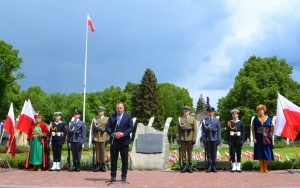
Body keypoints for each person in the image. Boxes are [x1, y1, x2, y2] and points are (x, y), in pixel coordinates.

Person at [106, 102, 134, 182]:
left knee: (124, 159)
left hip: (124, 141)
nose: (119, 109)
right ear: (116, 109)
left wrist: (123, 134)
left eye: (120, 108)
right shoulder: (112, 116)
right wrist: (113, 134)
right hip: (114, 141)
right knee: (113, 159)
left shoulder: (128, 117)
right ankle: (113, 176)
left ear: (123, 108)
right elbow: (107, 127)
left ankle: (123, 176)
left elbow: (131, 128)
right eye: (118, 108)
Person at [252, 104, 274, 173]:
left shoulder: (269, 118)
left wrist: (271, 134)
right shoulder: (255, 119)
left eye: (262, 110)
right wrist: (254, 138)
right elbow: (253, 129)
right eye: (259, 110)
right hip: (258, 138)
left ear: (264, 110)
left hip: (267, 138)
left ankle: (265, 167)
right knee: (260, 152)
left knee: (266, 152)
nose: (260, 111)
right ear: (258, 111)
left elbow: (272, 127)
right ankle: (261, 167)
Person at [176, 106, 198, 173]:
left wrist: (194, 138)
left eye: (187, 111)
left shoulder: (193, 118)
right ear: (183, 111)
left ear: (189, 111)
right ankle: (184, 166)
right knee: (183, 153)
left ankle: (190, 166)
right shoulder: (180, 119)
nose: (185, 112)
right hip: (182, 138)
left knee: (189, 152)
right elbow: (177, 129)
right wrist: (178, 138)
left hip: (190, 138)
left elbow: (195, 129)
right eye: (184, 111)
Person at [201, 107, 221, 173]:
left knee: (214, 153)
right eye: (209, 112)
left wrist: (219, 139)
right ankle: (209, 166)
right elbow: (203, 131)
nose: (210, 113)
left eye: (211, 112)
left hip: (214, 138)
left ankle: (214, 166)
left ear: (213, 112)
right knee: (208, 153)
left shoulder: (216, 120)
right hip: (207, 138)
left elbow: (219, 130)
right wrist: (203, 139)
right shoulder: (205, 120)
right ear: (208, 112)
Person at [91, 106, 109, 172]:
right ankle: (97, 165)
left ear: (103, 112)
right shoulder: (95, 119)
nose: (99, 112)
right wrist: (93, 138)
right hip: (96, 137)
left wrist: (108, 138)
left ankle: (103, 165)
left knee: (103, 152)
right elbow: (93, 130)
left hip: (103, 137)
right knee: (97, 152)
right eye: (99, 111)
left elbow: (108, 129)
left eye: (101, 111)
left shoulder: (107, 119)